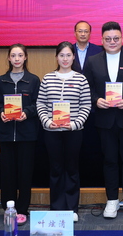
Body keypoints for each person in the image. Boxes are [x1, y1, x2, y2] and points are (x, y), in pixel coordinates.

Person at [83, 21, 123, 219]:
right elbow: (87, 87)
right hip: (104, 119)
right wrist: (96, 100)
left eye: (116, 38)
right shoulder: (93, 61)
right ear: (101, 40)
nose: (112, 42)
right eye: (108, 39)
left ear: (122, 39)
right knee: (109, 160)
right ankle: (111, 199)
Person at [36, 42, 91, 223]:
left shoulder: (81, 79)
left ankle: (72, 208)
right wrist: (47, 121)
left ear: (74, 57)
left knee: (72, 169)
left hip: (73, 132)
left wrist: (75, 124)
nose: (65, 59)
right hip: (52, 132)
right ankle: (57, 207)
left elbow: (86, 105)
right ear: (56, 57)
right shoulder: (48, 78)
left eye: (68, 55)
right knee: (56, 169)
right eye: (61, 55)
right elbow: (40, 103)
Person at [0, 43, 40, 226]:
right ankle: (8, 209)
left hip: (27, 135)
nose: (17, 59)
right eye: (13, 55)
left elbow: (38, 104)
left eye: (20, 55)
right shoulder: (1, 81)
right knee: (7, 175)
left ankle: (23, 209)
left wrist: (27, 112)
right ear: (9, 58)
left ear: (25, 57)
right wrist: (1, 112)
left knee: (25, 174)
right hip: (6, 135)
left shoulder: (33, 80)